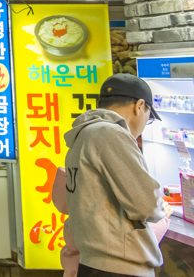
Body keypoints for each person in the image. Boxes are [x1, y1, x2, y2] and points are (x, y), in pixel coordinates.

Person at [62, 74, 170, 277]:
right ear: (139, 106)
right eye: (149, 116)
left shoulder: (83, 134)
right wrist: (161, 207)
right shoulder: (111, 134)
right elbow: (146, 203)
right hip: (118, 268)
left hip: (95, 263)